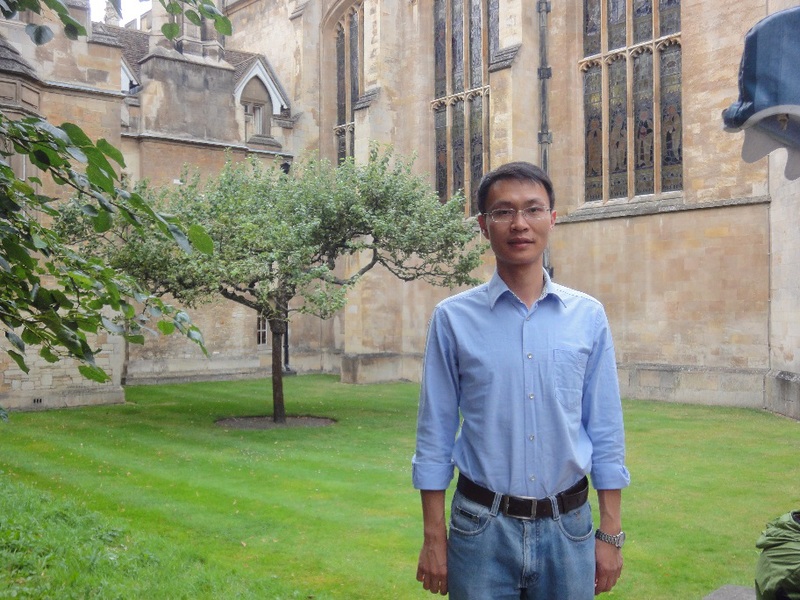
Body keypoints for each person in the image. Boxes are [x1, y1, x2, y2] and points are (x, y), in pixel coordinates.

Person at [412, 162, 630, 599]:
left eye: (533, 209)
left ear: (553, 218)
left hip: (569, 530)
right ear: (483, 226)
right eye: (503, 211)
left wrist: (610, 532)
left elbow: (605, 428)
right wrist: (434, 537)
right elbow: (434, 435)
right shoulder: (453, 319)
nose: (519, 223)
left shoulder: (588, 316)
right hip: (480, 531)